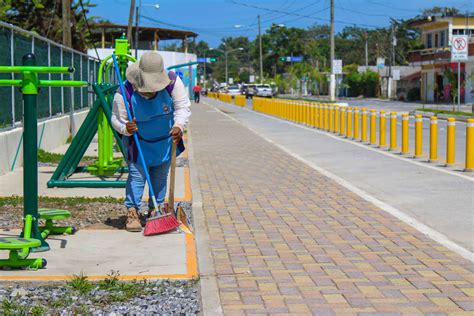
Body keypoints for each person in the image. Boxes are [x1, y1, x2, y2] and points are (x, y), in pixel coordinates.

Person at [111, 52, 191, 232]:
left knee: (160, 177)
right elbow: (116, 118)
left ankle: (156, 209)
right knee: (137, 177)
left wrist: (179, 125)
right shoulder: (125, 91)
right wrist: (126, 128)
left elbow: (182, 107)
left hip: (164, 140)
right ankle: (132, 211)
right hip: (138, 142)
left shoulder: (172, 83)